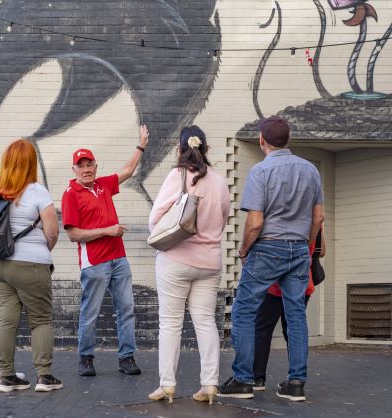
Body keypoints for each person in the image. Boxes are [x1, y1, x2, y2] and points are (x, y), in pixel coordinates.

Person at [218, 116, 324, 402]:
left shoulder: (260, 171)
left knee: (243, 311)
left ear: (262, 140)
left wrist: (243, 250)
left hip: (267, 248)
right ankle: (296, 383)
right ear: (287, 140)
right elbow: (318, 217)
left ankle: (243, 379)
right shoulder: (310, 170)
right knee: (296, 315)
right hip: (298, 250)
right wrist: (306, 243)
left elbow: (254, 222)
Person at [147, 126, 230, 405]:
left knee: (170, 323)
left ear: (179, 150)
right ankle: (209, 385)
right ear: (206, 149)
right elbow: (223, 218)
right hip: (210, 262)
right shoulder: (219, 181)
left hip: (176, 260)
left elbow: (155, 218)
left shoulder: (177, 176)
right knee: (206, 322)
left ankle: (167, 386)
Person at [61, 124, 149, 376]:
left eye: (89, 165)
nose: (86, 169)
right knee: (91, 312)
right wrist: (107, 231)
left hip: (118, 258)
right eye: (81, 166)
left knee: (126, 309)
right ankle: (86, 359)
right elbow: (72, 234)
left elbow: (129, 170)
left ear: (95, 166)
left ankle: (127, 358)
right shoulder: (71, 194)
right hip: (95, 263)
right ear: (74, 169)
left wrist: (141, 143)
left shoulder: (103, 185)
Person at [0, 139, 62, 393]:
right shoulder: (37, 191)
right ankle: (44, 376)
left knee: (5, 320)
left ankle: (6, 377)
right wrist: (41, 252)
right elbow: (52, 231)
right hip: (29, 264)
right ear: (31, 163)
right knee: (40, 319)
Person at [252, 228, 326, 391]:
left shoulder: (283, 212)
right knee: (294, 329)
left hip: (275, 282)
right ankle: (296, 381)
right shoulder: (314, 213)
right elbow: (321, 251)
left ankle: (256, 379)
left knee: (262, 328)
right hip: (303, 281)